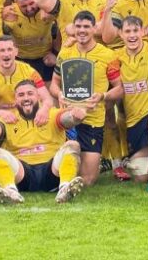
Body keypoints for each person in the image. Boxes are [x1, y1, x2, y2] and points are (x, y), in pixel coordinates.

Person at [0, 81, 89, 204]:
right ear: (15, 100)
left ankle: (64, 188)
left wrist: (75, 116)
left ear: (38, 96)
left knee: (73, 145)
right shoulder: (9, 118)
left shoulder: (52, 113)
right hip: (23, 175)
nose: (26, 98)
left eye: (30, 93)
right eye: (21, 95)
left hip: (52, 172)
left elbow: (67, 119)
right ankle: (11, 192)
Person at [106, 11, 148, 193]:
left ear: (142, 32)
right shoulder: (115, 57)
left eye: (135, 30)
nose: (132, 35)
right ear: (120, 34)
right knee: (140, 175)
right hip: (134, 122)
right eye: (127, 31)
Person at [50, 12, 121, 186]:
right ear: (73, 28)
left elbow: (120, 88)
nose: (82, 30)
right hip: (67, 119)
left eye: (86, 27)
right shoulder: (65, 52)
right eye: (78, 26)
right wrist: (59, 94)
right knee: (59, 174)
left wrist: (103, 96)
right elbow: (54, 84)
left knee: (88, 180)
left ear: (94, 29)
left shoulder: (107, 55)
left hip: (92, 121)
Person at [0, 35, 55, 191]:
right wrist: (2, 113)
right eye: (2, 50)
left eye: (9, 50)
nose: (6, 54)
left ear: (16, 52)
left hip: (27, 118)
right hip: (3, 120)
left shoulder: (29, 71)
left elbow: (47, 99)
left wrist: (44, 109)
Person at [2, 0, 59, 81]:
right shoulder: (10, 13)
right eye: (24, 6)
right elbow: (1, 37)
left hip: (45, 58)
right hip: (20, 59)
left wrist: (55, 53)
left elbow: (61, 31)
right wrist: (3, 20)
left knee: (48, 89)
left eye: (32, 3)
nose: (29, 9)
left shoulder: (47, 8)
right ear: (16, 2)